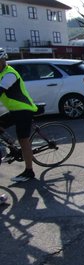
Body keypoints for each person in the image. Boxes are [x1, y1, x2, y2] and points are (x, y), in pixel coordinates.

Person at [0, 48, 38, 182]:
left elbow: (1, 89)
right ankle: (12, 148)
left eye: (0, 61)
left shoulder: (10, 74)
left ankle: (29, 171)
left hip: (23, 109)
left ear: (4, 61)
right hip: (14, 110)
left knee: (23, 140)